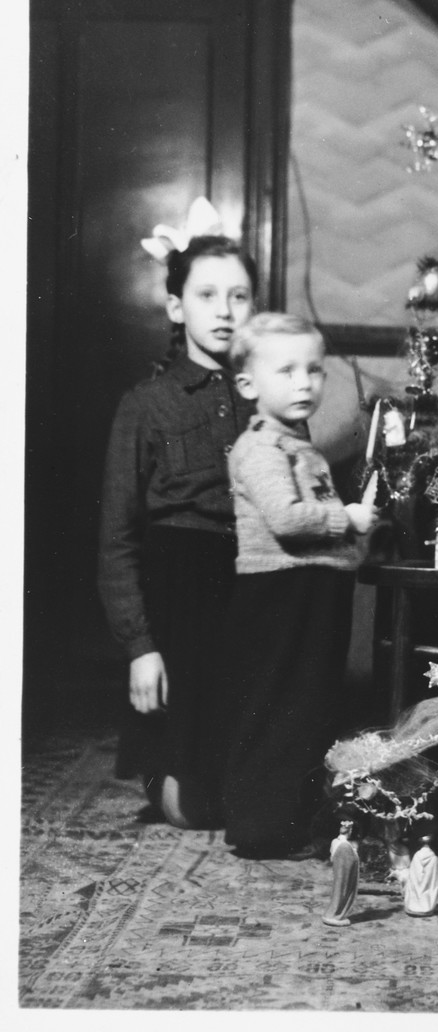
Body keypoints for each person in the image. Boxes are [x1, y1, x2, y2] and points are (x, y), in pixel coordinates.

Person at [98, 233, 257, 829]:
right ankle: (171, 764)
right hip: (180, 608)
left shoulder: (267, 399)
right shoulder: (147, 405)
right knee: (198, 809)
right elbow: (117, 538)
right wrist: (140, 648)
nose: (224, 310)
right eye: (207, 294)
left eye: (238, 295)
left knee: (267, 797)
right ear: (175, 307)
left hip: (251, 594)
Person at [219, 313, 378, 858]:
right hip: (279, 597)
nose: (304, 382)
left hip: (313, 592)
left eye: (314, 370)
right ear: (247, 385)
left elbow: (324, 525)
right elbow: (288, 520)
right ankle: (261, 824)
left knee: (310, 705)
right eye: (285, 370)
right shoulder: (260, 448)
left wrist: (356, 541)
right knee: (277, 705)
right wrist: (347, 521)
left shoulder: (301, 446)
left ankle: (294, 818)